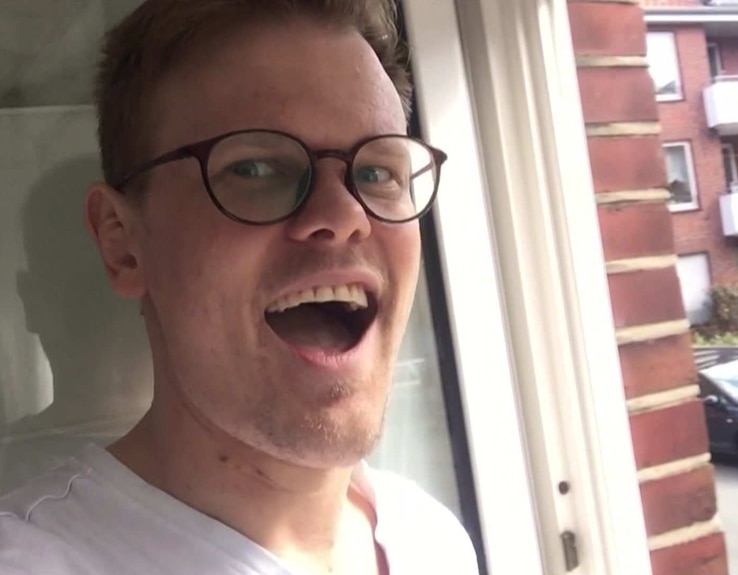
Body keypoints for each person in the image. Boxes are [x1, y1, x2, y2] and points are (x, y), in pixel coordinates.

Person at [0, 1, 478, 574]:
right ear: (123, 243)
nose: (346, 213)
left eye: (377, 172)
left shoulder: (433, 543)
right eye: (253, 169)